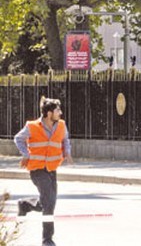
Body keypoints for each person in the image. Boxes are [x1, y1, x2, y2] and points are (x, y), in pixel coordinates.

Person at [14, 97, 73, 246]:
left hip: (52, 169)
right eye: (57, 110)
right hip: (37, 169)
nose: (60, 112)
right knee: (50, 202)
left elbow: (65, 139)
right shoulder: (32, 126)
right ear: (48, 113)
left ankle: (26, 205)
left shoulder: (61, 125)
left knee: (48, 204)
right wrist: (26, 154)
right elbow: (18, 138)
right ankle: (47, 240)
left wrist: (67, 152)